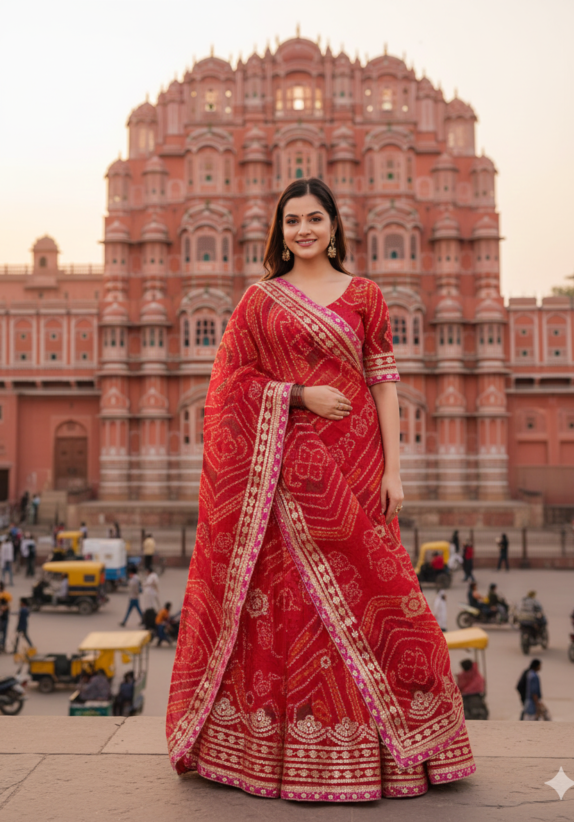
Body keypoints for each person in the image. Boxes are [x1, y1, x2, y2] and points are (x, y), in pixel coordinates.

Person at [166, 178, 475, 799]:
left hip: (358, 464)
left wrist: (394, 469)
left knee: (380, 590)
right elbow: (228, 385)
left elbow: (383, 382)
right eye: (291, 222)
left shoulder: (366, 295)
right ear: (279, 233)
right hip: (285, 468)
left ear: (335, 225)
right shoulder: (260, 301)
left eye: (314, 219)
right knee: (289, 601)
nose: (303, 230)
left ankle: (399, 750)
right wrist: (297, 396)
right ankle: (281, 748)